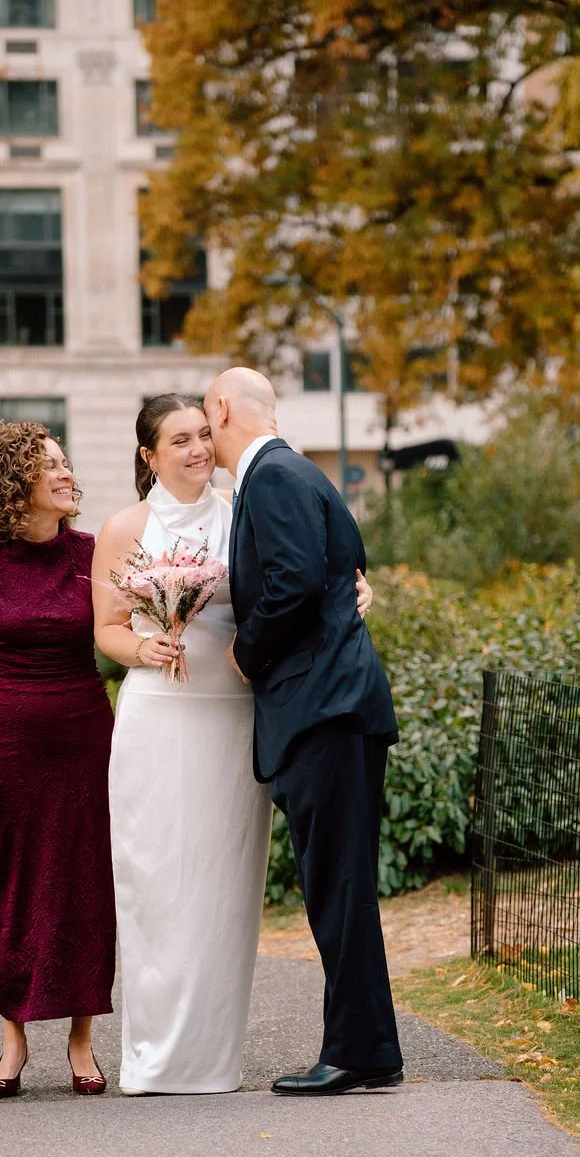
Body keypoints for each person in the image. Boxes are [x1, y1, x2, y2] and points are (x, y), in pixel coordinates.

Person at [94, 395, 373, 1095]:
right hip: (160, 717)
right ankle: (156, 1057)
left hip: (233, 718)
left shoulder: (240, 511)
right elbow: (105, 627)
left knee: (223, 889)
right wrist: (144, 646)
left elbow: (300, 577)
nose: (195, 448)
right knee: (158, 885)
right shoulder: (123, 527)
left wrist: (352, 592)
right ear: (147, 455)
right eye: (178, 439)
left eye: (201, 434)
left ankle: (214, 1058)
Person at [203, 367, 403, 1096]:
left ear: (222, 408)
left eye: (206, 417)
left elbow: (289, 582)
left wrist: (243, 649)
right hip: (332, 705)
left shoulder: (276, 475)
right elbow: (346, 562)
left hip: (323, 706)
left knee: (339, 885)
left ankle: (359, 1051)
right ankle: (366, 1047)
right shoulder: (297, 472)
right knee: (339, 886)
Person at [0, 423, 115, 1099]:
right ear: (18, 483)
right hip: (10, 746)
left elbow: (118, 636)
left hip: (86, 737)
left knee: (86, 882)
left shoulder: (93, 552)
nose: (68, 472)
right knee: (10, 886)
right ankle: (13, 1039)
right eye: (52, 465)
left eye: (66, 461)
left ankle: (83, 1038)